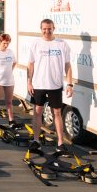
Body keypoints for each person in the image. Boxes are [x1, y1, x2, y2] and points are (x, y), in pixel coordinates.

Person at [27, 19, 73, 153]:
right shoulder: (35, 44)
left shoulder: (62, 44)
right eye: (44, 29)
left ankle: (60, 143)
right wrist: (29, 82)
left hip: (56, 85)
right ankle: (36, 140)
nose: (47, 31)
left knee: (57, 113)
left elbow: (67, 65)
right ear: (41, 29)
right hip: (38, 84)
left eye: (49, 29)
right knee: (37, 112)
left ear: (54, 28)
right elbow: (31, 64)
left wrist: (69, 84)